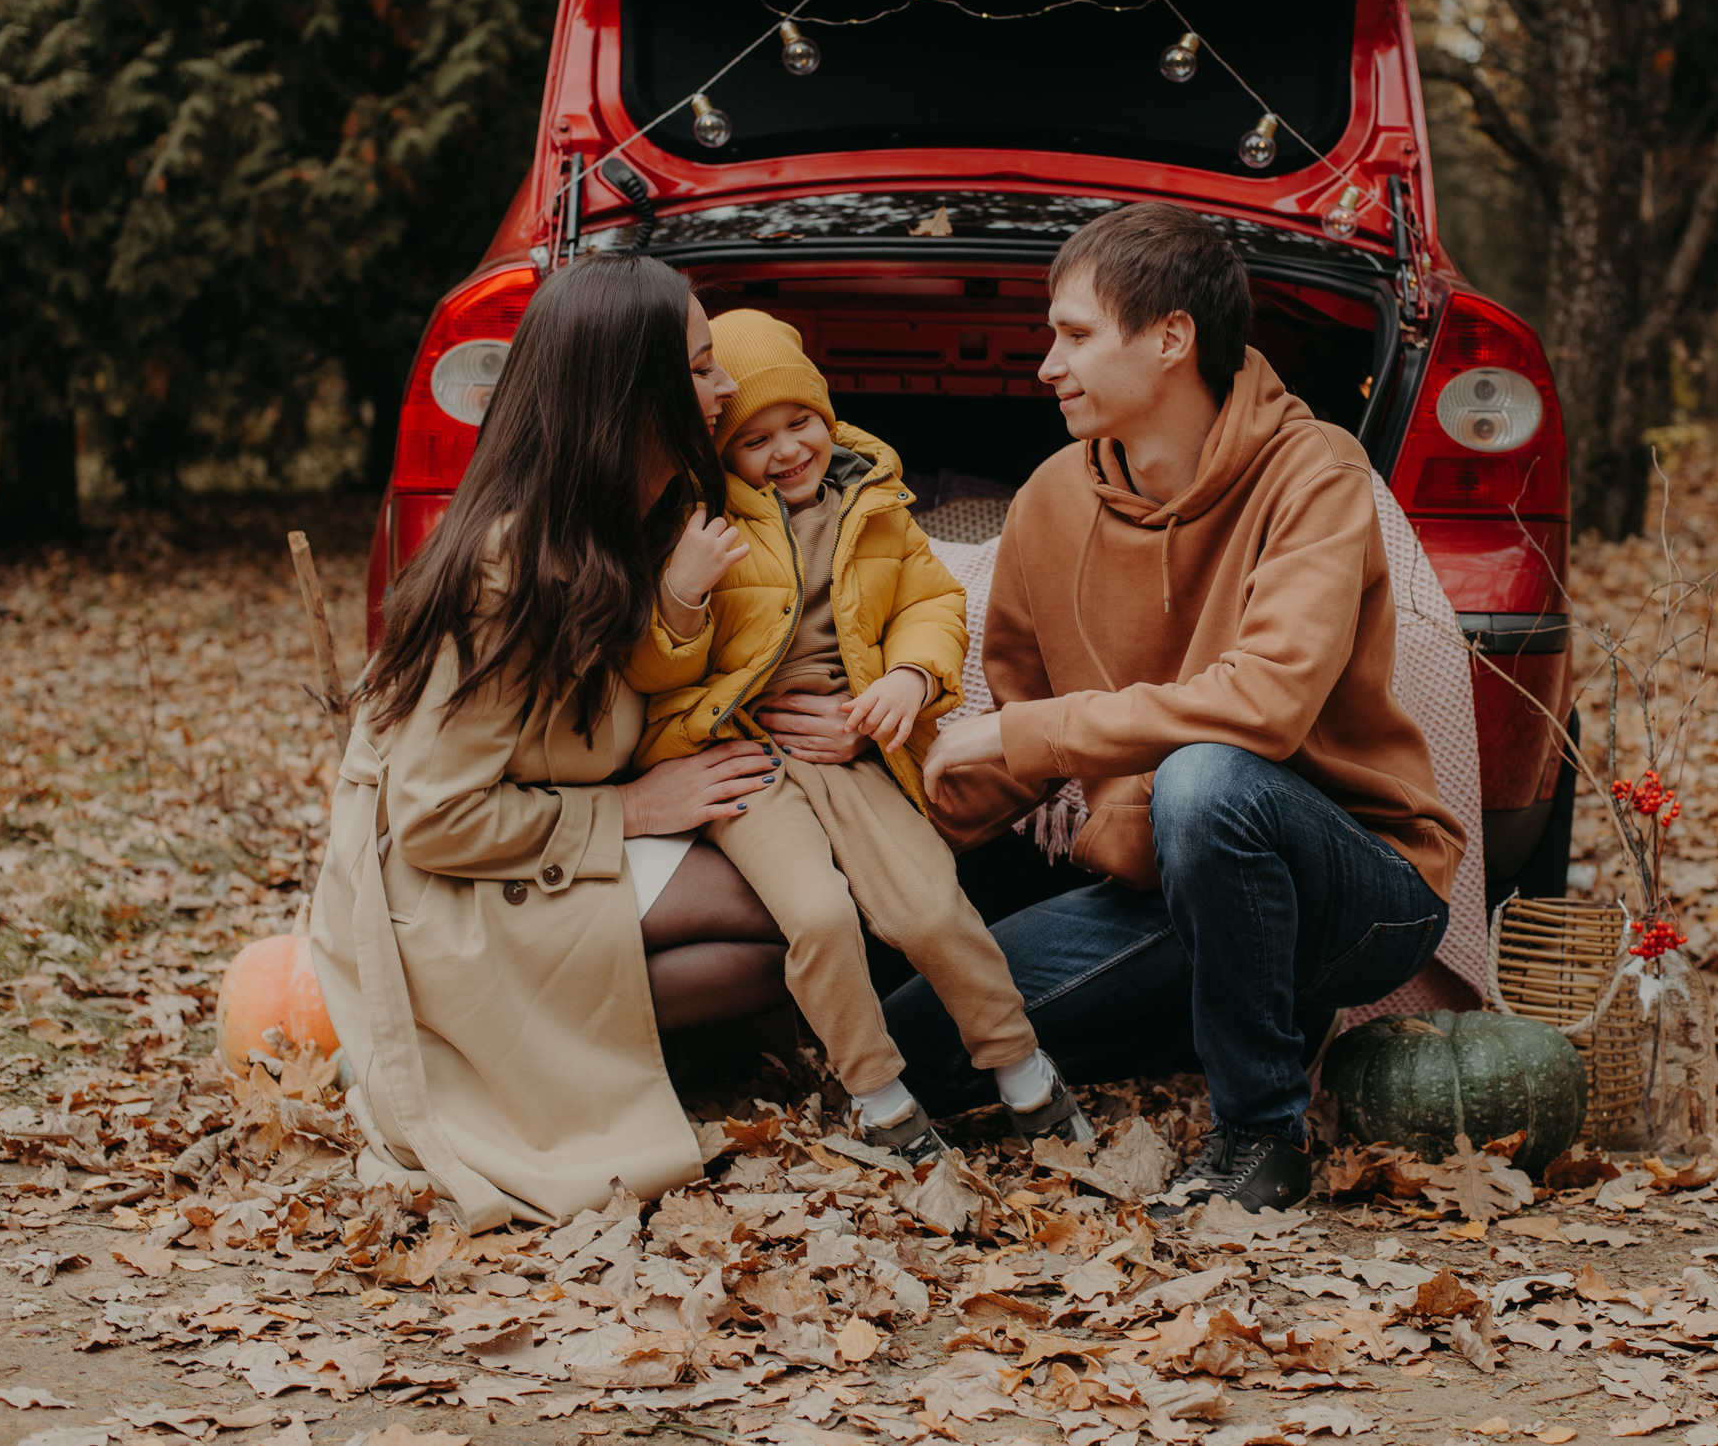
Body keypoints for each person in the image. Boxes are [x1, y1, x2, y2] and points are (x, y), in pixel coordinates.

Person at [894, 203, 1464, 1215]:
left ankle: (1261, 1137)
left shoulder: (1315, 471)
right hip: (1162, 880)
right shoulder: (1050, 497)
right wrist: (875, 824)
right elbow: (1023, 723)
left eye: (1074, 336)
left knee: (1208, 781)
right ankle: (1195, 1016)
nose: (1045, 367)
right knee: (915, 1042)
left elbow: (1268, 706)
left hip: (1357, 880)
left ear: (1170, 339)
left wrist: (1031, 734)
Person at [309, 254, 791, 1230]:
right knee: (759, 940)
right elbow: (436, 817)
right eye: (700, 368)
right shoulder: (512, 566)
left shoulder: (630, 521)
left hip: (514, 835)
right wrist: (633, 810)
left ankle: (576, 1052)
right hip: (432, 888)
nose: (728, 387)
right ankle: (495, 1054)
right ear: (631, 391)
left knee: (785, 925)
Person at [622, 310, 1092, 1160]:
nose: (786, 449)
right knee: (816, 914)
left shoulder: (874, 503)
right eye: (755, 438)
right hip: (746, 759)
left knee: (931, 908)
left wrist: (909, 680)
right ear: (723, 451)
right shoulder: (697, 523)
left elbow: (930, 602)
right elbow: (654, 670)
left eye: (798, 421)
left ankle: (1023, 1070)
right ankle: (876, 1096)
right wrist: (683, 597)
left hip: (851, 744)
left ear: (825, 414)